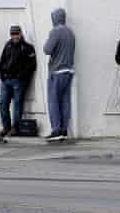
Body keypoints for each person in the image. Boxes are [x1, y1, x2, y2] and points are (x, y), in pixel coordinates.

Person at [0, 25, 37, 137]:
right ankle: (6, 128)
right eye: (12, 34)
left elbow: (32, 65)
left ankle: (15, 129)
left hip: (18, 81)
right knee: (3, 104)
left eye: (16, 34)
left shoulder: (27, 47)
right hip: (6, 80)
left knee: (17, 105)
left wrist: (21, 76)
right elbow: (2, 61)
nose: (14, 36)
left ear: (21, 34)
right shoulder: (8, 45)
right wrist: (2, 76)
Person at [44, 8, 76, 142]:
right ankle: (63, 130)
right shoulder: (70, 33)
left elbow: (47, 50)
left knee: (53, 101)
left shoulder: (55, 31)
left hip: (56, 72)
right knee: (65, 101)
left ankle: (56, 130)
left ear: (55, 18)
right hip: (68, 71)